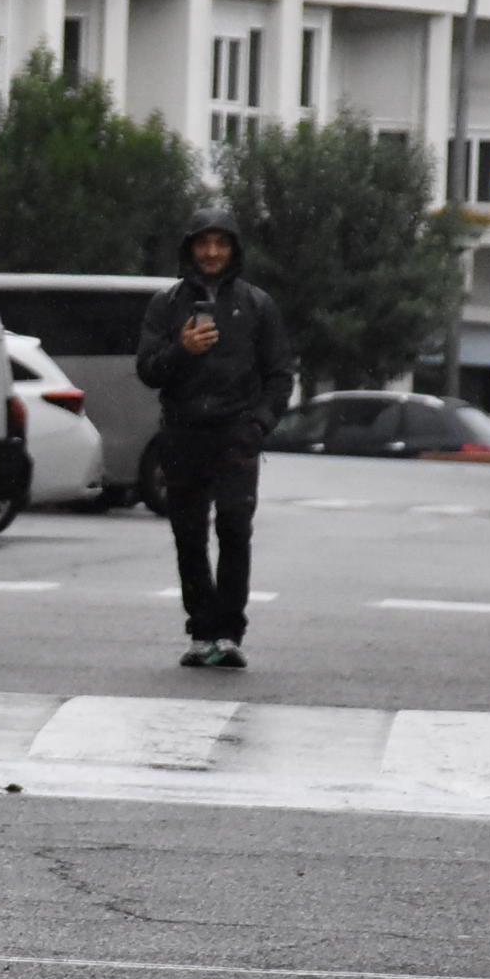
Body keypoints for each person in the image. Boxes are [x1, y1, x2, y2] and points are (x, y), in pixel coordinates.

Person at [136, 209, 296, 671]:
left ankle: (230, 631)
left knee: (234, 528)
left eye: (220, 244)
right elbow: (148, 370)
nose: (211, 252)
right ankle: (202, 631)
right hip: (183, 432)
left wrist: (259, 424)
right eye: (203, 243)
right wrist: (181, 351)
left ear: (234, 250)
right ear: (189, 249)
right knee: (188, 534)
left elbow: (280, 374)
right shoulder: (166, 305)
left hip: (235, 435)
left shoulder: (257, 305)